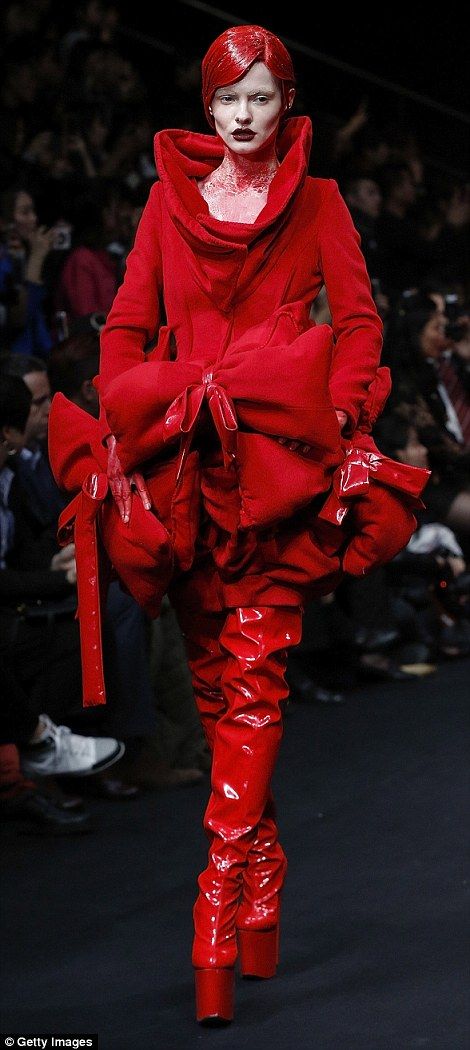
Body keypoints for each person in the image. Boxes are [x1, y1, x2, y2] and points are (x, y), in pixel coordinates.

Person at [49, 25, 428, 1025]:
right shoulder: (168, 211)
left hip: (273, 471)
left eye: (261, 96)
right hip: (183, 473)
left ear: (286, 100)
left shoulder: (318, 205)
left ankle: (214, 912)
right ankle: (262, 874)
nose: (245, 114)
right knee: (221, 696)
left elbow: (357, 322)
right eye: (229, 98)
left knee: (252, 685)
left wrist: (338, 413)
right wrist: (141, 401)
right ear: (208, 106)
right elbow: (124, 325)